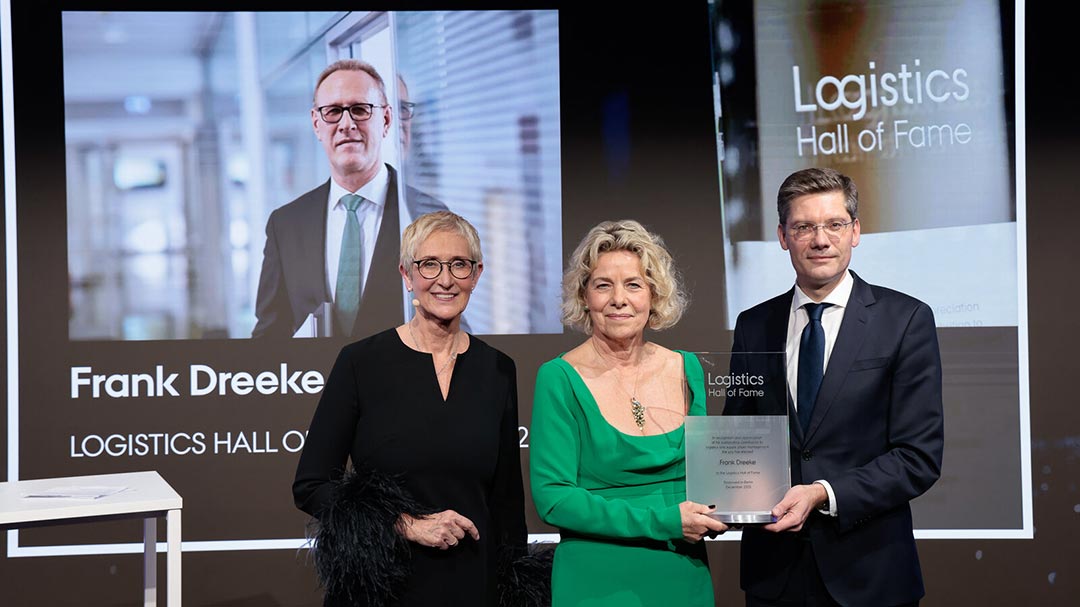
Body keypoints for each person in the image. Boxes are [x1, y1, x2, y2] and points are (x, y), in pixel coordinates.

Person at [726, 167, 944, 607]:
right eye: (804, 226)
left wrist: (823, 493)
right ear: (783, 236)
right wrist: (728, 493)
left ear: (855, 231)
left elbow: (918, 457)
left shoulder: (905, 320)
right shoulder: (753, 325)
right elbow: (740, 434)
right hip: (774, 576)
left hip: (871, 575)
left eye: (834, 224)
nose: (820, 239)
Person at [292, 211, 528, 606]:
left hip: (472, 587)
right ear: (407, 275)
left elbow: (507, 506)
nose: (446, 279)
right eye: (429, 264)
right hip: (382, 587)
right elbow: (311, 486)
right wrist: (406, 525)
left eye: (459, 265)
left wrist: (515, 591)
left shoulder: (499, 369)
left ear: (477, 274)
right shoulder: (361, 363)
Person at [530, 220, 727, 606]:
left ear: (654, 294)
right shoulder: (558, 378)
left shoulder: (690, 371)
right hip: (596, 584)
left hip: (682, 579)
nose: (619, 299)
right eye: (603, 285)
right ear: (584, 296)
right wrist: (665, 521)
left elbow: (713, 480)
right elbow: (553, 498)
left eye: (634, 284)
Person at [252, 59, 445, 339]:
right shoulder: (286, 225)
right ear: (317, 124)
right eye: (332, 111)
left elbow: (453, 330)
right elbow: (269, 336)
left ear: (387, 120)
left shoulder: (430, 218)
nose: (346, 124)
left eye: (359, 109)